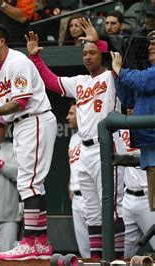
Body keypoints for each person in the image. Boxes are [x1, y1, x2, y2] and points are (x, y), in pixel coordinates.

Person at [26, 18, 126, 259]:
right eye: (85, 53)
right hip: (85, 149)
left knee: (111, 210)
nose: (88, 56)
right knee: (92, 212)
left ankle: (118, 260)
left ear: (101, 54)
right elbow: (51, 81)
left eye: (92, 52)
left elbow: (118, 55)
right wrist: (35, 58)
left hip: (107, 146)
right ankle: (95, 259)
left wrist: (98, 38)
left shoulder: (111, 76)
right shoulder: (80, 82)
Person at [0, 23, 56, 261]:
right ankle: (40, 242)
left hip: (34, 118)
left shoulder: (18, 62)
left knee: (30, 182)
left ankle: (31, 241)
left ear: (1, 42)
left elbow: (20, 103)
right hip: (23, 124)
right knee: (31, 182)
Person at [111, 42, 155, 212]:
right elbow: (128, 100)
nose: (150, 46)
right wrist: (117, 75)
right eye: (149, 43)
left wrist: (121, 70)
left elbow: (143, 81)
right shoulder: (145, 78)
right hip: (150, 153)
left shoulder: (147, 78)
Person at [119, 128, 155, 258]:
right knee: (125, 255)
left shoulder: (149, 126)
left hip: (147, 197)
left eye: (133, 105)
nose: (130, 107)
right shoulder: (120, 128)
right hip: (127, 197)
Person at [0, 115, 21, 253]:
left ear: (5, 128)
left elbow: (19, 174)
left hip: (8, 217)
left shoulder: (14, 148)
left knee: (7, 257)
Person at [66, 101, 90, 258]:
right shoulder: (73, 139)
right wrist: (70, 183)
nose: (68, 117)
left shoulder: (92, 136)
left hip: (91, 196)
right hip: (77, 197)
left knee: (99, 245)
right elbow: (72, 165)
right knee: (84, 248)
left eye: (72, 113)